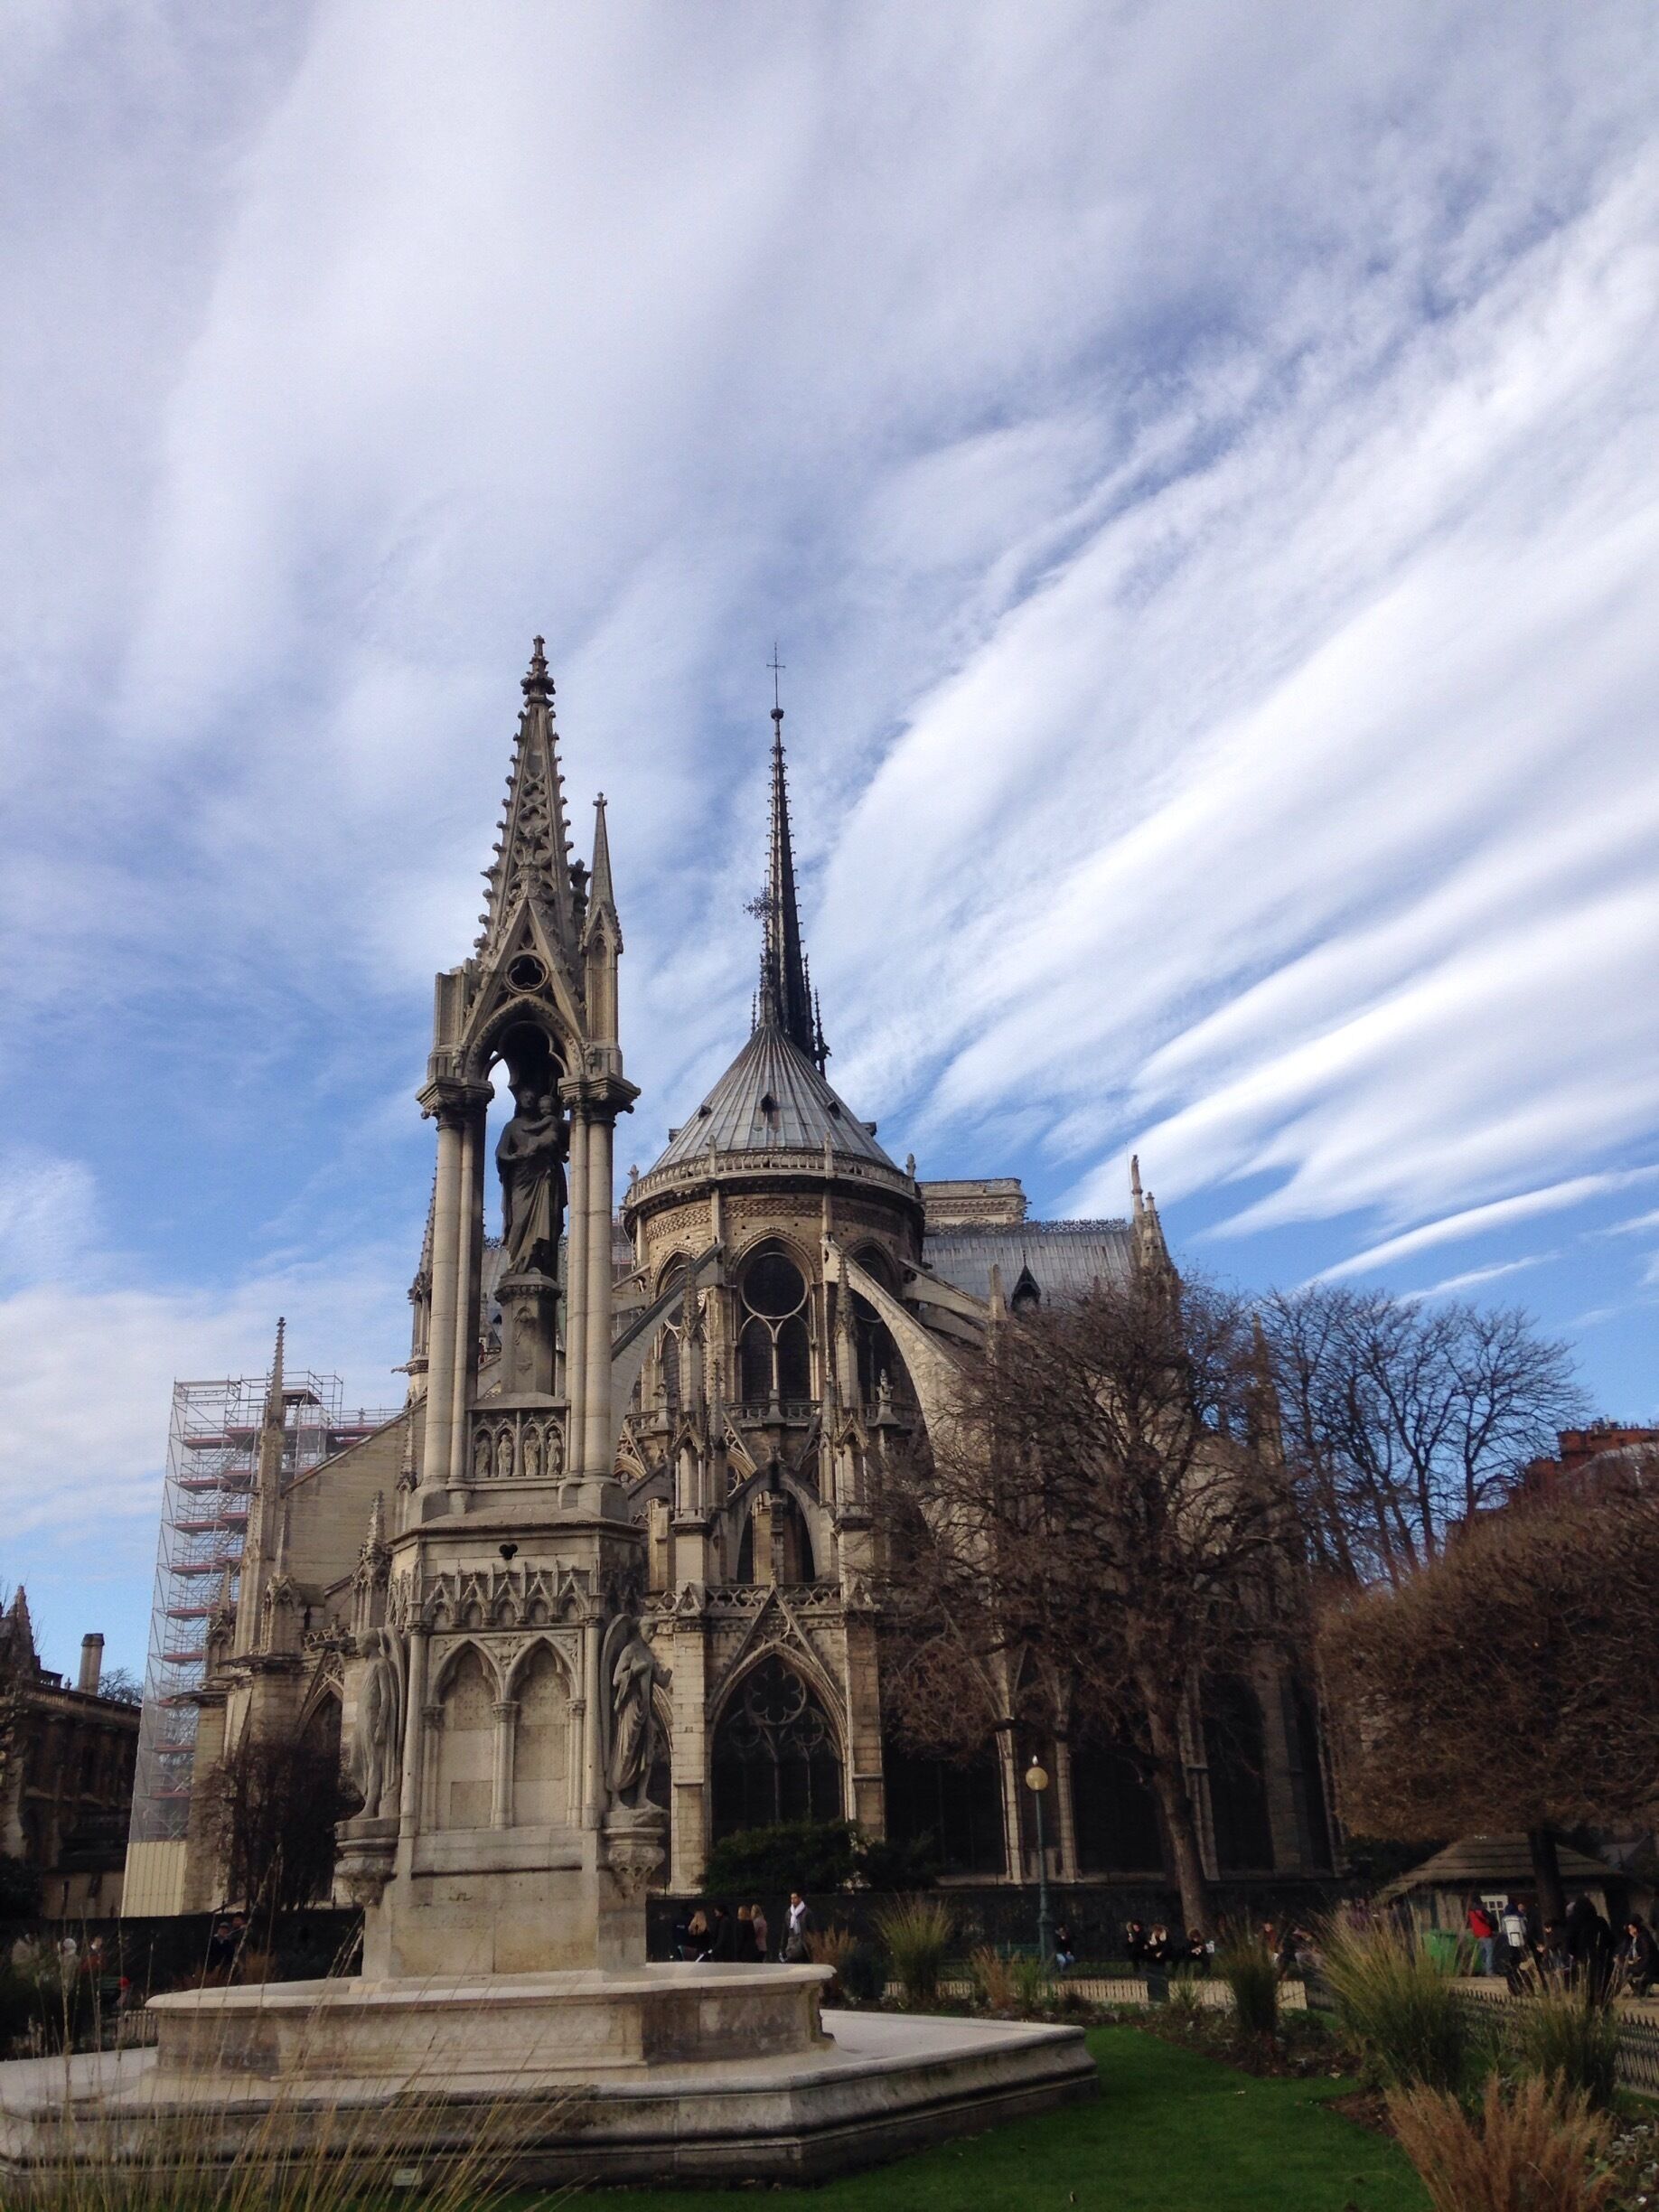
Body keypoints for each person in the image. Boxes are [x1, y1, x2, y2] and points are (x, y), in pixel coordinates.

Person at [1617, 1917, 1659, 1998]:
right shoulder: (1633, 1939)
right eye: (1630, 1929)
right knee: (1622, 1966)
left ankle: (1639, 1989)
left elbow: (1648, 1957)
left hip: (1649, 1968)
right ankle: (1639, 1990)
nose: (1633, 1931)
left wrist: (1635, 1964)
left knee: (1624, 1969)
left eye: (1634, 1928)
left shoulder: (1643, 1938)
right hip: (1643, 1966)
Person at [1498, 1898, 1529, 1985]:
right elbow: (1524, 1929)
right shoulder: (1520, 1917)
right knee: (1521, 1957)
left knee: (1513, 1956)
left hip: (1510, 1940)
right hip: (1520, 1939)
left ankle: (1514, 1968)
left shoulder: (1504, 1918)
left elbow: (1504, 1930)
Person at [1466, 1899, 1497, 1976]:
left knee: (1483, 1954)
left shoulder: (1470, 1913)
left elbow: (1468, 1924)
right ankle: (1489, 1972)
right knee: (1489, 1953)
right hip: (1486, 1934)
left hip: (1478, 1935)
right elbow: (1493, 1919)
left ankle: (1484, 1970)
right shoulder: (1483, 1911)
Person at [783, 1892, 813, 1963]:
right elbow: (786, 1930)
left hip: (804, 1943)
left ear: (800, 1898)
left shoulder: (807, 1912)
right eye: (791, 1898)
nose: (793, 1900)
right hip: (792, 1942)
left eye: (795, 1898)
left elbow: (811, 1929)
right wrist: (782, 1947)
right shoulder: (789, 1913)